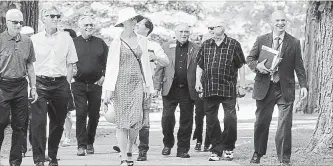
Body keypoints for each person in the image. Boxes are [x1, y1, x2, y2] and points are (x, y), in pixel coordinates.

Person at [246, 10, 308, 166]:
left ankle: (284, 159)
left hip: (284, 89)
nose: (281, 23)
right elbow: (250, 59)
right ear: (271, 22)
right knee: (261, 123)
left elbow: (299, 66)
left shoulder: (294, 42)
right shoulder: (261, 40)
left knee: (285, 125)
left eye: (283, 20)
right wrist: (257, 66)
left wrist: (304, 85)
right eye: (277, 20)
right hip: (264, 88)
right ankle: (258, 153)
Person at [103, 7, 154, 166]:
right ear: (124, 23)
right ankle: (124, 156)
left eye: (134, 20)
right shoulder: (116, 42)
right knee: (121, 122)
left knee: (135, 121)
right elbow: (110, 66)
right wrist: (108, 90)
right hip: (120, 84)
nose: (133, 22)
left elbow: (145, 65)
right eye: (129, 20)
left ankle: (130, 146)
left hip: (138, 83)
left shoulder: (142, 40)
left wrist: (148, 86)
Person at [30, 5, 78, 166]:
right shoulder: (34, 40)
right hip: (40, 82)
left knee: (58, 122)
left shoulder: (66, 38)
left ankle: (52, 156)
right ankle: (38, 159)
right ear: (43, 18)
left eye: (58, 16)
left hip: (60, 83)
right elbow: (29, 64)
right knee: (38, 122)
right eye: (51, 16)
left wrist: (67, 84)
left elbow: (71, 64)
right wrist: (32, 86)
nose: (55, 19)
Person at [195, 20, 246, 161]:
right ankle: (216, 150)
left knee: (230, 119)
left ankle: (228, 147)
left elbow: (241, 65)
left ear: (222, 28)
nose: (210, 29)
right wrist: (197, 82)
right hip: (209, 87)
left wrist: (242, 85)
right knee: (211, 120)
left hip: (228, 87)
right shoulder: (205, 45)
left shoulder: (233, 44)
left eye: (213, 27)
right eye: (209, 27)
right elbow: (200, 66)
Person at [154, 23, 200, 158]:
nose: (184, 34)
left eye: (186, 31)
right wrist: (156, 87)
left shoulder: (196, 48)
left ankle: (183, 149)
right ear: (175, 32)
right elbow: (159, 68)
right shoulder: (166, 46)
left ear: (189, 33)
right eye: (181, 31)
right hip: (170, 88)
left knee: (186, 120)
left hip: (188, 90)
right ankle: (168, 143)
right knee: (167, 118)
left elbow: (200, 69)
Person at [0, 9, 38, 166]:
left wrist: (33, 87)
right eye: (15, 22)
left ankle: (15, 161)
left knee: (20, 125)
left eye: (21, 22)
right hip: (2, 85)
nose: (18, 25)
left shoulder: (27, 41)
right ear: (7, 22)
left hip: (21, 85)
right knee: (1, 122)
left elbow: (30, 65)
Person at [72, 16, 108, 156]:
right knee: (81, 113)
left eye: (91, 24)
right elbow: (66, 61)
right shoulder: (73, 42)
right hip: (78, 84)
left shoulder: (100, 43)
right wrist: (70, 78)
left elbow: (108, 62)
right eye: (86, 24)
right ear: (80, 27)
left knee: (94, 115)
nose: (89, 27)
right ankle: (81, 145)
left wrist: (104, 76)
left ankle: (89, 142)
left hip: (95, 85)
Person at [20, 26, 35, 158]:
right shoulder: (20, 50)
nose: (30, 38)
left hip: (37, 90)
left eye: (31, 35)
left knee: (35, 120)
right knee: (22, 120)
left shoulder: (37, 50)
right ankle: (22, 148)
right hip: (22, 90)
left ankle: (36, 147)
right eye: (27, 35)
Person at [61, 28, 77, 147]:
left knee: (65, 112)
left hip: (69, 85)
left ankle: (67, 136)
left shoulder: (74, 51)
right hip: (55, 84)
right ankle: (60, 135)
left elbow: (76, 71)